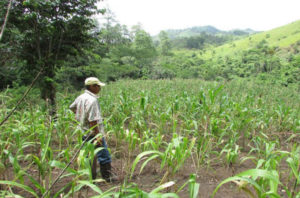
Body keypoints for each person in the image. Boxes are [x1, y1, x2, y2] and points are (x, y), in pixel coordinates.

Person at [69, 77, 114, 182]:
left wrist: (80, 117)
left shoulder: (80, 97)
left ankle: (91, 178)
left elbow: (72, 107)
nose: (99, 88)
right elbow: (93, 121)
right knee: (104, 155)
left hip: (84, 132)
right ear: (92, 87)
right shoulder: (92, 100)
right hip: (93, 133)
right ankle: (108, 177)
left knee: (90, 156)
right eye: (98, 86)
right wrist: (98, 136)